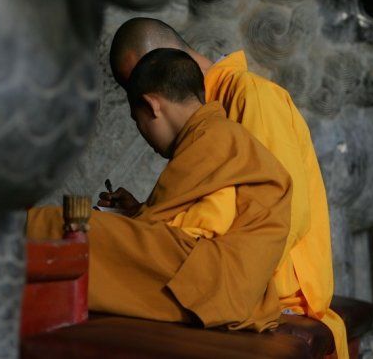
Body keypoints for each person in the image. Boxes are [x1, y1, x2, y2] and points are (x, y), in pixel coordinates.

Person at [104, 17, 347, 358]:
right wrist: (141, 214)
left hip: (277, 295)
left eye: (140, 91)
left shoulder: (251, 96)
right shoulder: (202, 117)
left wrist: (225, 288)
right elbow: (214, 211)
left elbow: (285, 213)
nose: (144, 108)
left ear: (164, 63)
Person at [28, 48, 293, 332]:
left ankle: (13, 231)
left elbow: (161, 229)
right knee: (93, 233)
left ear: (151, 106)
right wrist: (134, 210)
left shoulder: (211, 137)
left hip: (212, 281)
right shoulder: (217, 132)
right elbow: (183, 215)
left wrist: (127, 221)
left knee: (71, 227)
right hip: (222, 276)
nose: (145, 135)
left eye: (137, 121)